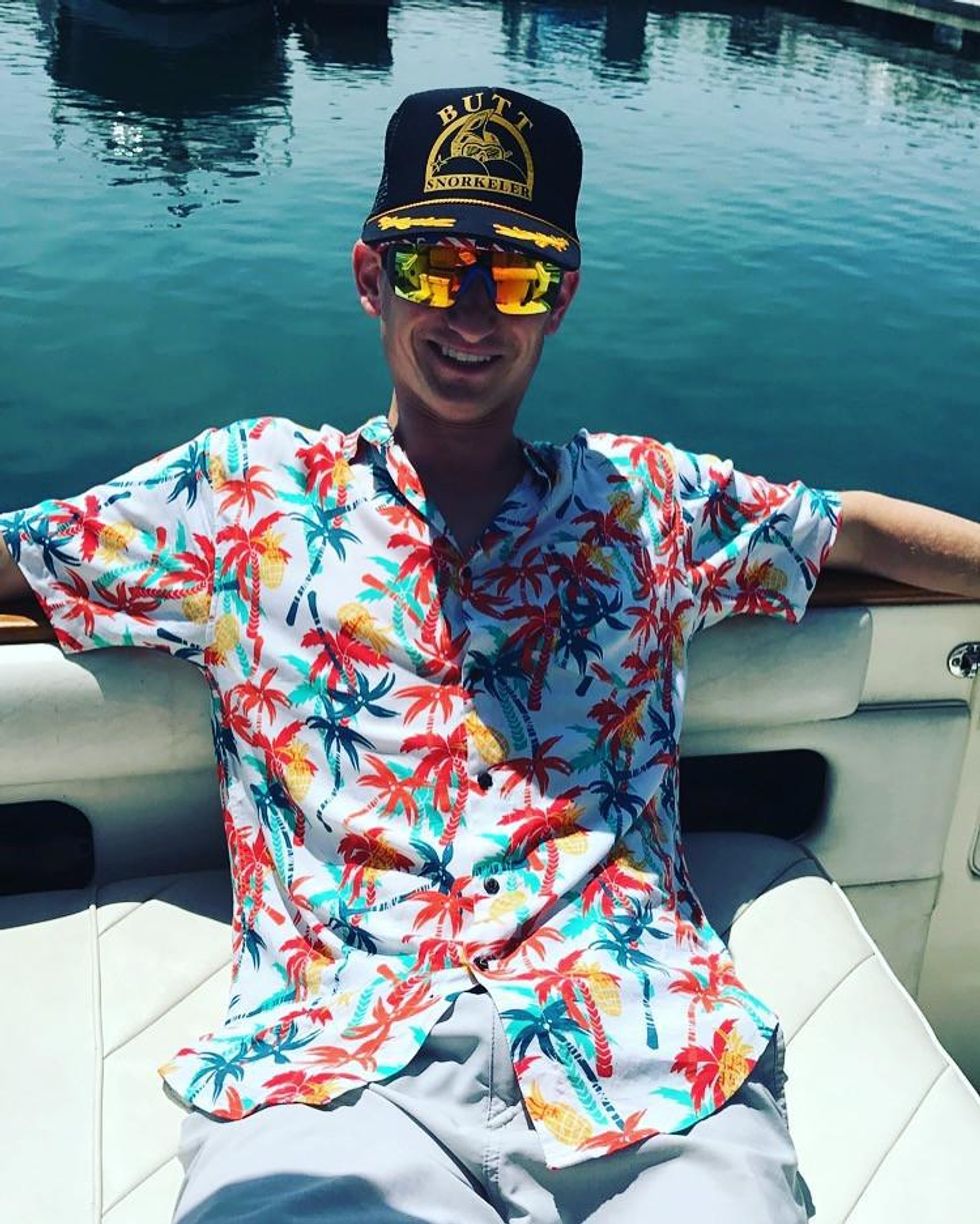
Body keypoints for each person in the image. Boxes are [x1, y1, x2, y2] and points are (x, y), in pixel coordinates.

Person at [1, 86, 978, 1224]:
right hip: (335, 1071)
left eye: (514, 276)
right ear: (371, 277)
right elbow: (21, 559)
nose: (470, 311)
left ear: (559, 300)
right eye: (432, 267)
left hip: (643, 1048)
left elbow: (850, 531)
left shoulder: (643, 505)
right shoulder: (241, 499)